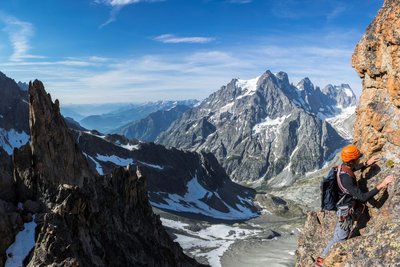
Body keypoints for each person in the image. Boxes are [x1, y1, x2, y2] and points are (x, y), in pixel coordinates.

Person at [315, 144, 396, 266]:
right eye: (358, 158)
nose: (359, 159)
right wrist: (382, 184)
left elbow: (351, 170)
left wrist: (366, 164)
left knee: (339, 235)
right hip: (345, 212)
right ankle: (324, 261)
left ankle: (322, 258)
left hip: (343, 207)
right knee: (340, 238)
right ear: (352, 160)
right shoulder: (346, 179)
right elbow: (363, 197)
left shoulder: (341, 168)